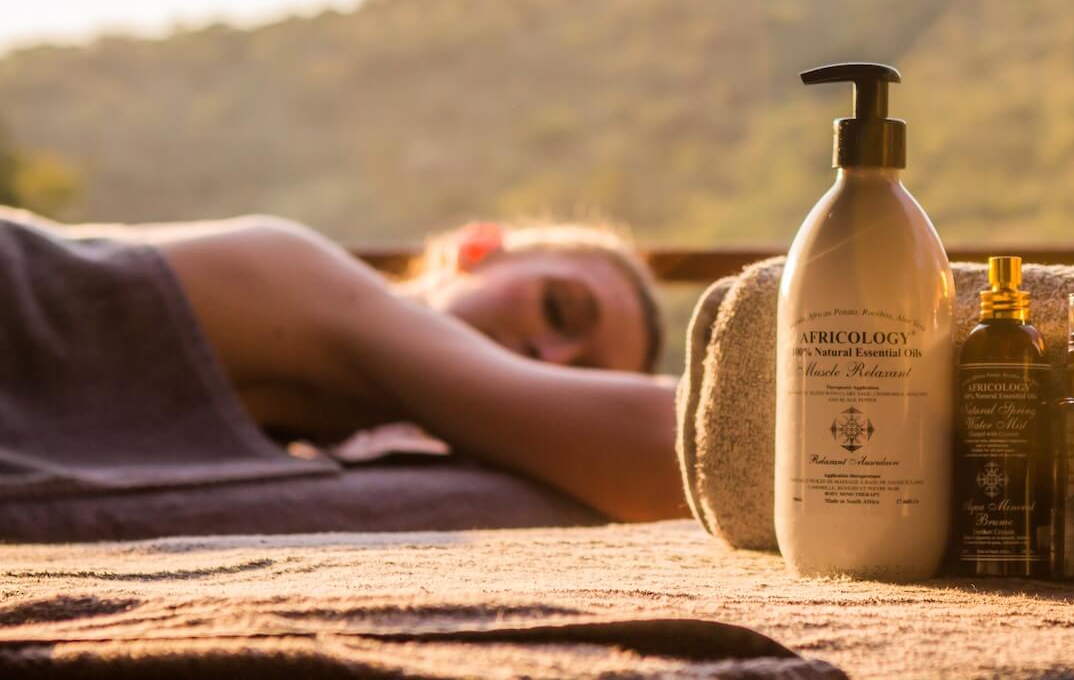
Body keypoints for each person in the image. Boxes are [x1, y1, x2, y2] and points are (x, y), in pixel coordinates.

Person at [1, 209, 688, 524]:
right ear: (472, 247)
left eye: (581, 373)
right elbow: (674, 448)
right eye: (560, 310)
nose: (549, 356)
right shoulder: (300, 272)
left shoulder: (333, 434)